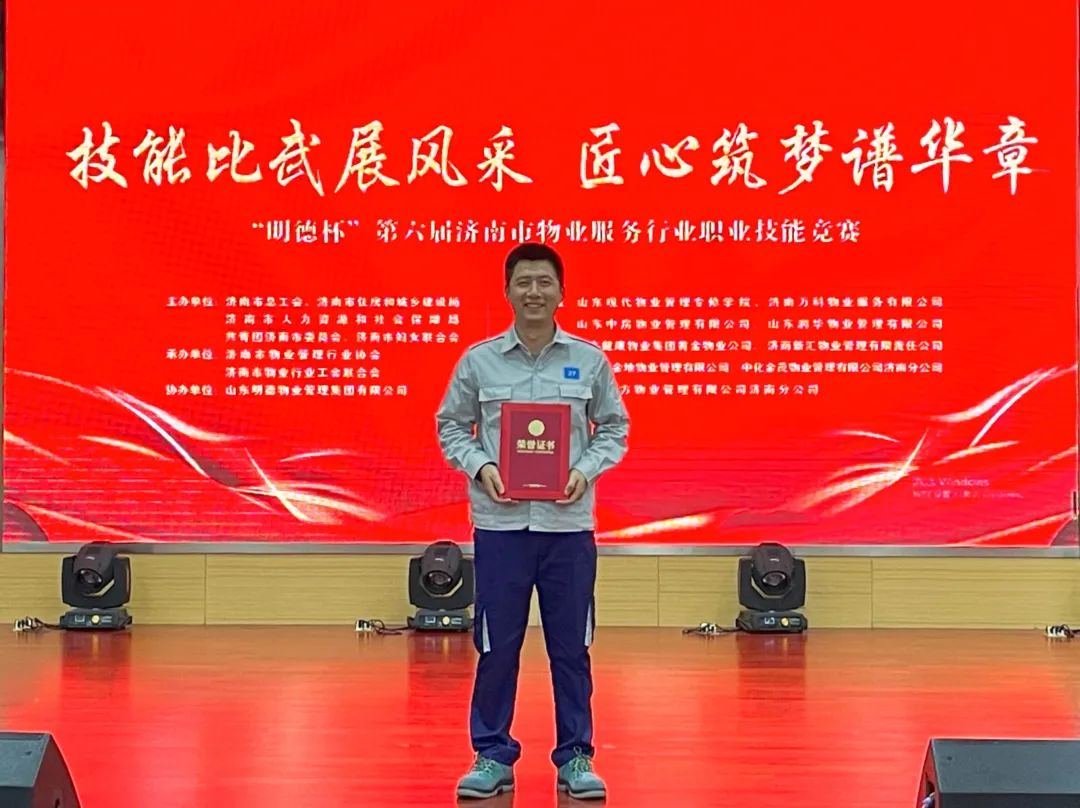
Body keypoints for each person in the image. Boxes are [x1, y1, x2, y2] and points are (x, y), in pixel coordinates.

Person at [436, 243, 630, 800]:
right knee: (497, 647)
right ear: (507, 291)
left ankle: (576, 757)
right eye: (523, 282)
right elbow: (451, 426)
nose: (534, 292)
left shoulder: (590, 360)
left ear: (562, 292)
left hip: (568, 528)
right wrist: (483, 466)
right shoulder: (479, 361)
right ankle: (492, 754)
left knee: (571, 648)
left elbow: (615, 428)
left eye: (544, 282)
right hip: (501, 527)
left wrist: (584, 471)